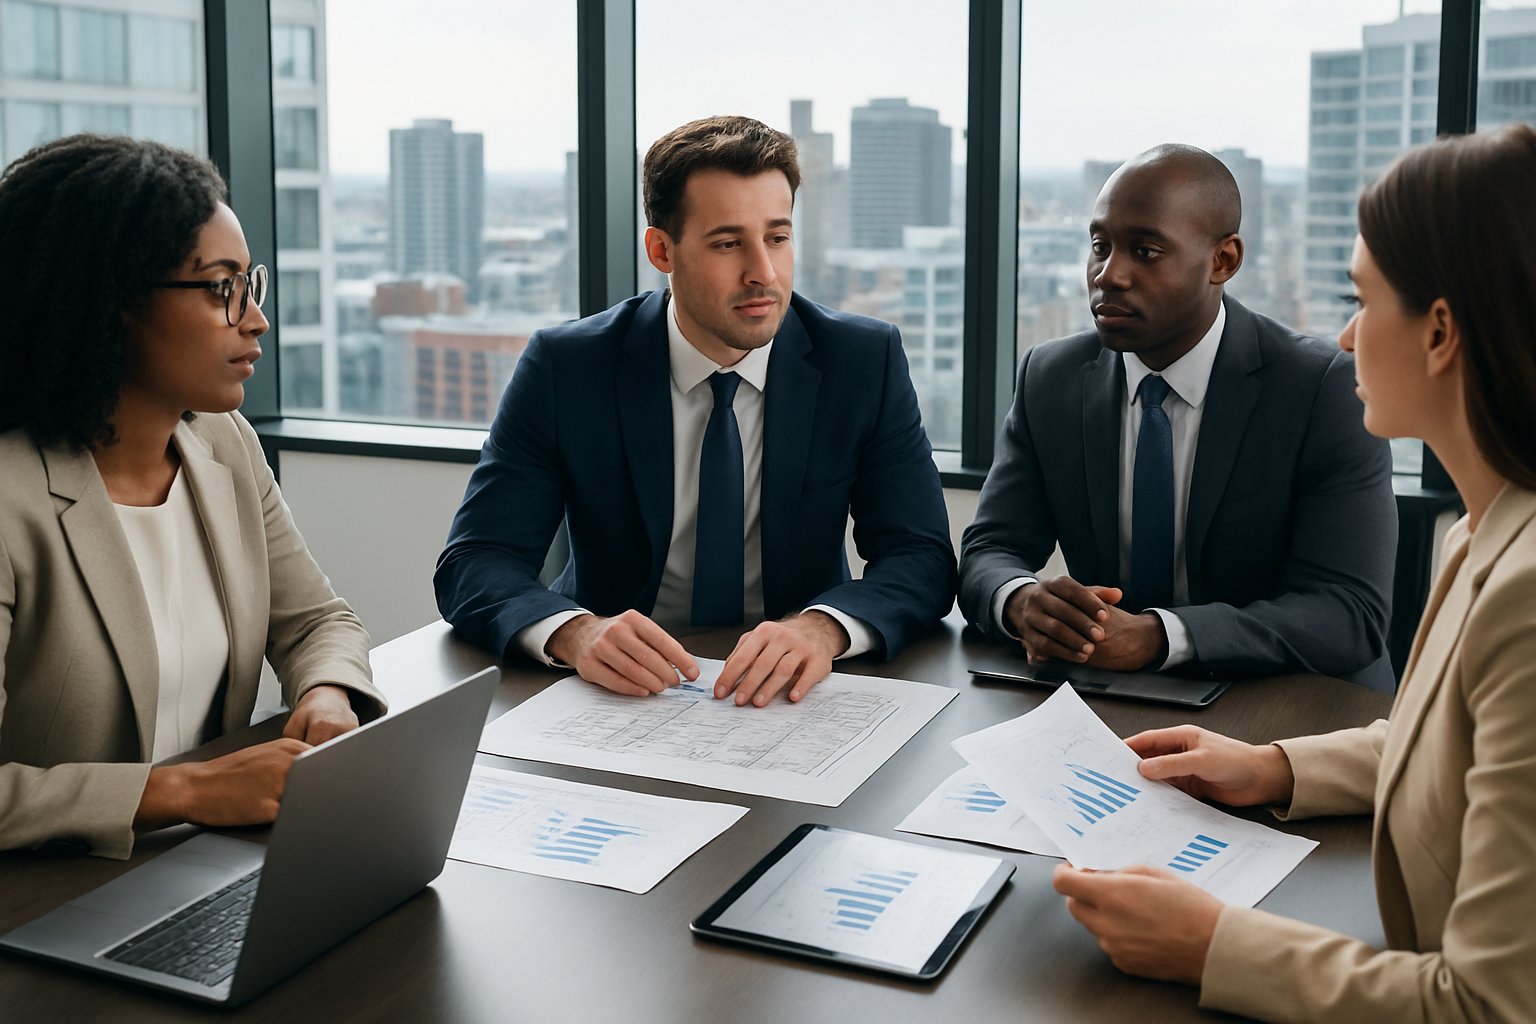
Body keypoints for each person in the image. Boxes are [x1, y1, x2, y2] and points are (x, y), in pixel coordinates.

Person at [1051, 124, 1536, 1023]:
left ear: (1439, 333)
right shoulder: (1487, 536)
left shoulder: (1526, 594)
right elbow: (1461, 745)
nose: (1346, 338)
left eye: (1364, 300)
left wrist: (1209, 943)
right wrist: (1275, 766)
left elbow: (1490, 1005)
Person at [435, 115, 954, 707]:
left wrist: (823, 627)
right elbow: (475, 561)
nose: (763, 271)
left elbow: (922, 557)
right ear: (662, 249)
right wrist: (576, 632)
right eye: (729, 242)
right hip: (618, 693)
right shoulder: (568, 367)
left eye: (778, 237)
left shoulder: (861, 360)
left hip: (793, 694)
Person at [0, 135, 385, 860]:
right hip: (43, 905)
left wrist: (326, 694)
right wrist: (182, 792)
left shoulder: (221, 442)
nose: (255, 319)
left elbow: (315, 621)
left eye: (250, 283)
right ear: (110, 304)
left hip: (199, 866)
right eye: (219, 288)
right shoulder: (9, 500)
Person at [959, 144, 1398, 691]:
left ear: (1223, 261)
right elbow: (990, 549)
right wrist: (1021, 601)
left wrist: (1160, 636)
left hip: (1293, 706)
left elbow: (1348, 613)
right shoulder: (1051, 378)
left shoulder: (1319, 388)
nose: (1108, 275)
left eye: (1144, 251)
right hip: (1109, 700)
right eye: (1100, 246)